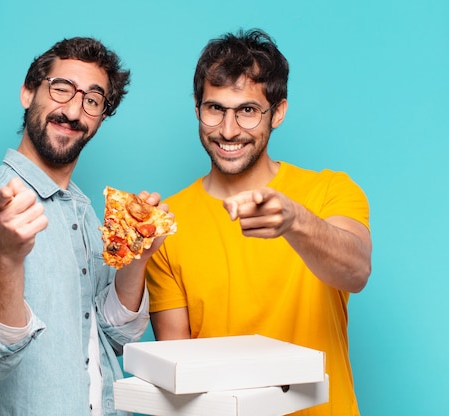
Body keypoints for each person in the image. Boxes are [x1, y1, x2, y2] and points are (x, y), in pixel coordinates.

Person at [146, 28, 372, 415]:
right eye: (215, 108)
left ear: (277, 112)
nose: (229, 131)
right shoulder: (166, 223)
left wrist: (295, 221)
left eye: (247, 111)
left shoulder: (330, 190)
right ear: (197, 109)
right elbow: (176, 377)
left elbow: (356, 271)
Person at [0, 37, 167, 416]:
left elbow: (114, 338)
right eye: (62, 89)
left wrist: (136, 260)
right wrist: (9, 255)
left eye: (92, 100)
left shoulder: (80, 210)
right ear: (28, 92)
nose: (74, 111)